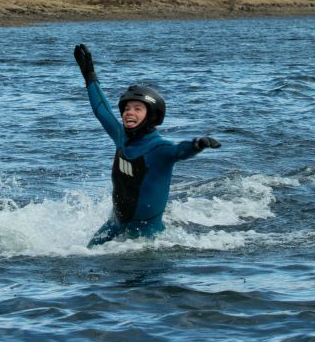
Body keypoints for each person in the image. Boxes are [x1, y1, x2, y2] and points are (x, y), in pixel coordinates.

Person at [73, 43, 221, 247]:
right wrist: (89, 74)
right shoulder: (120, 137)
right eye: (126, 108)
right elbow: (101, 109)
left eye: (137, 108)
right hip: (116, 225)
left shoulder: (160, 148)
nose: (128, 112)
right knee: (85, 255)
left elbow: (180, 151)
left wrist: (197, 144)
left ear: (151, 116)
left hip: (149, 241)